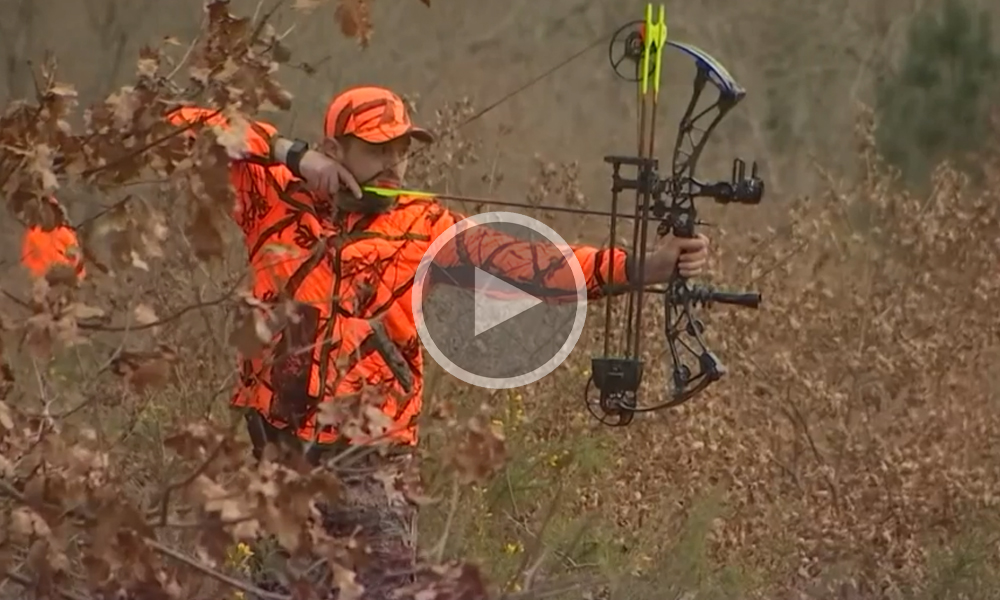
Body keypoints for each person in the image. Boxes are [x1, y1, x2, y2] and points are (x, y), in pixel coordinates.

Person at [29, 85, 711, 598]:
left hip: (372, 463)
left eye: (401, 147)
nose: (393, 160)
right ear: (336, 151)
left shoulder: (425, 225)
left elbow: (533, 266)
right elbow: (179, 125)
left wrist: (648, 267)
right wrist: (294, 156)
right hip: (278, 457)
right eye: (377, 147)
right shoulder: (272, 197)